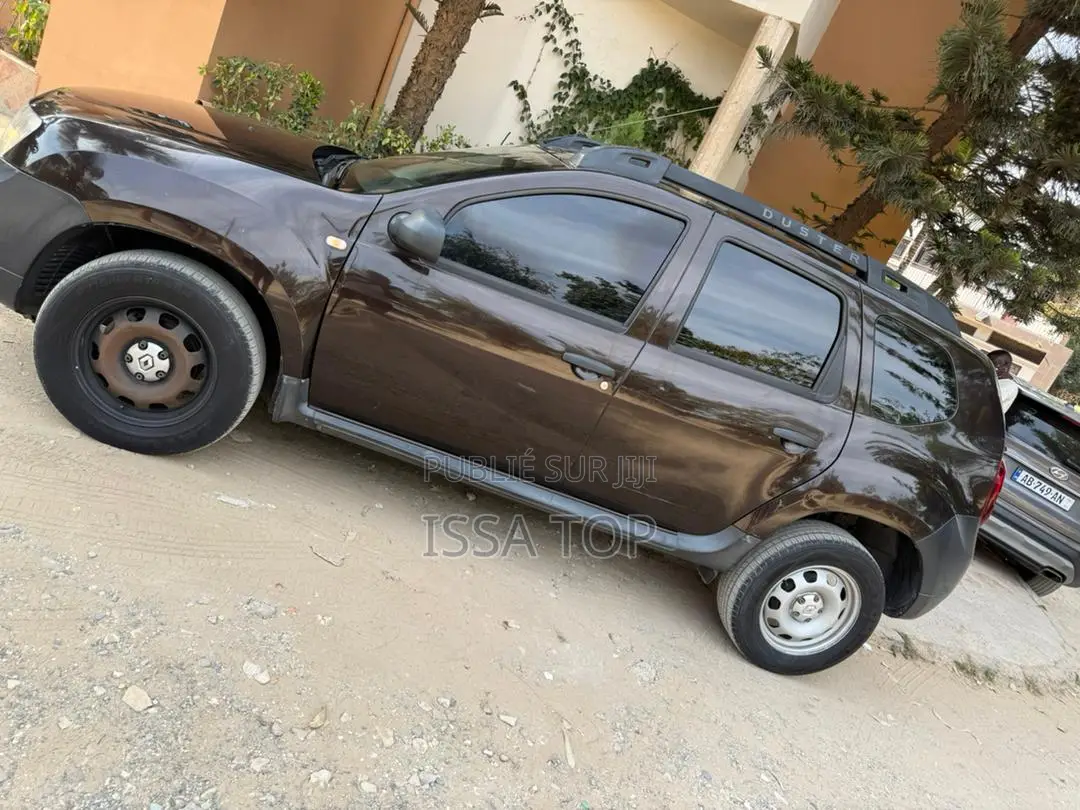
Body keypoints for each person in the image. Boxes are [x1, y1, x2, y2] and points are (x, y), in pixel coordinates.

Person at [988, 349, 1018, 413]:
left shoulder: (1009, 386)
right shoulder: (991, 379)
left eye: (994, 364)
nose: (990, 367)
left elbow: (986, 402)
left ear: (1005, 367)